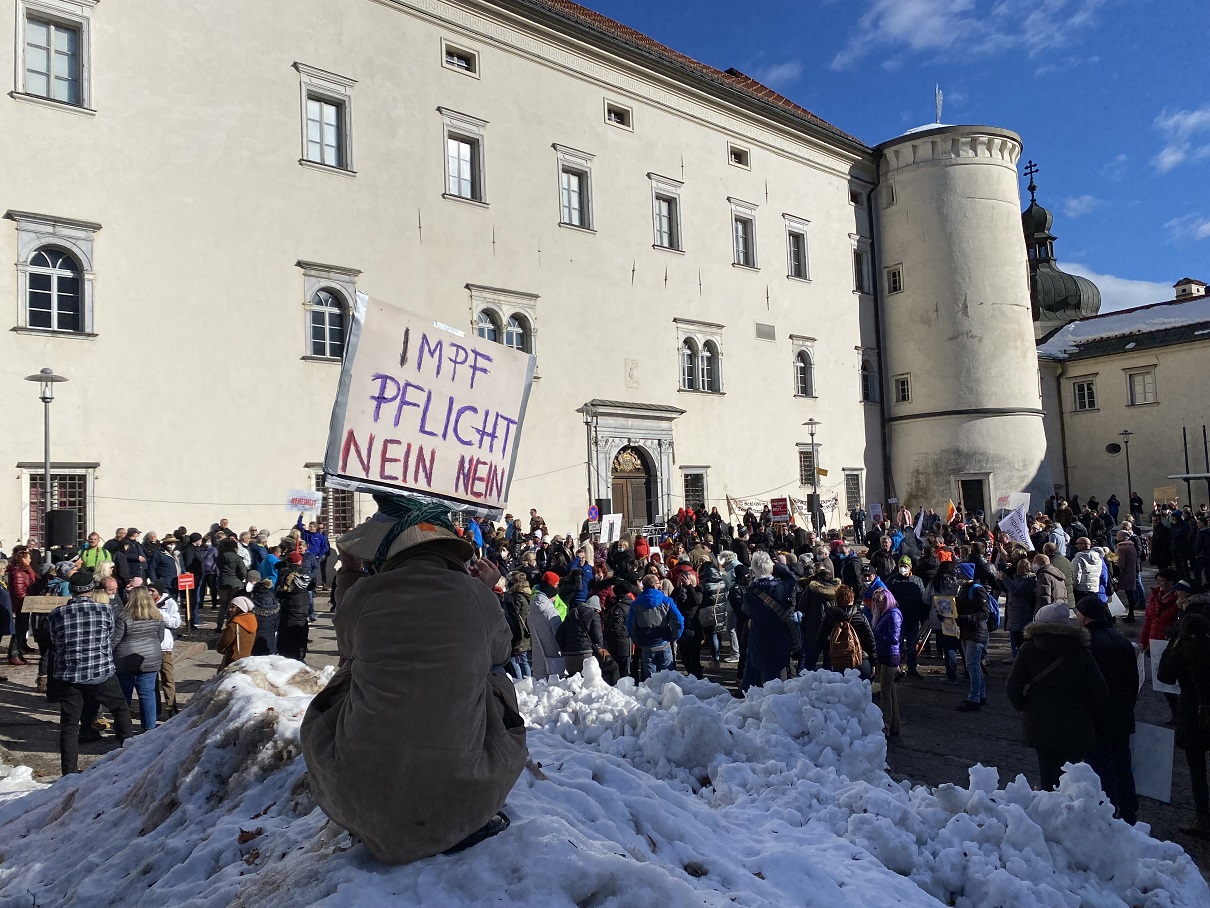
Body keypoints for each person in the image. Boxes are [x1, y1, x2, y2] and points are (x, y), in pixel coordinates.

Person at [301, 495, 527, 863]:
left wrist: (351, 570)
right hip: (459, 795)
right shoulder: (476, 596)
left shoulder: (364, 593)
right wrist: (488, 593)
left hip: (359, 795)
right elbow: (501, 652)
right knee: (494, 677)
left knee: (351, 670)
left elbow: (346, 641)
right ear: (451, 551)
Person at [1006, 602, 1108, 791]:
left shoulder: (1029, 648)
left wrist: (1024, 706)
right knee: (1074, 775)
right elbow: (1099, 689)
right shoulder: (1081, 650)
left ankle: (1049, 806)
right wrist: (1089, 711)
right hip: (1076, 720)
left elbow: (1013, 685)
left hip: (1040, 719)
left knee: (1047, 770)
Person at [46, 570, 135, 775]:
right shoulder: (104, 611)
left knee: (69, 724)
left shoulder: (56, 614)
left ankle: (69, 772)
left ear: (72, 590)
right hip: (100, 670)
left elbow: (55, 642)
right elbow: (109, 636)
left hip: (69, 674)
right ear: (91, 589)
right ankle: (129, 759)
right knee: (120, 709)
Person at [1075, 596, 1139, 824]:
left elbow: (1085, 683)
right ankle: (1129, 809)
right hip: (1122, 712)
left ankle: (1108, 811)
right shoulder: (1120, 639)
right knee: (1122, 762)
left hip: (1098, 714)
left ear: (1083, 615)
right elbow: (1134, 679)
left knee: (1100, 765)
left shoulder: (1087, 643)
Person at [1157, 612, 1210, 838]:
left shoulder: (1184, 649)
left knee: (1197, 768)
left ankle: (1203, 817)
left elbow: (1165, 676)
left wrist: (1172, 644)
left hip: (1193, 712)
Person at [740, 551, 801, 692]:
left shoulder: (750, 594)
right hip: (780, 640)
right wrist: (776, 565)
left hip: (757, 639)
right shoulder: (780, 588)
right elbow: (791, 578)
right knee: (774, 682)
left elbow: (746, 611)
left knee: (750, 676)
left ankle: (743, 699)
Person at [112, 586, 166, 733]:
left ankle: (123, 728)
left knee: (124, 695)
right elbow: (160, 637)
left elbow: (114, 640)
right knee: (147, 694)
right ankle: (149, 727)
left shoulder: (123, 617)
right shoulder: (157, 616)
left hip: (125, 659)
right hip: (150, 658)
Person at [627, 574, 685, 680]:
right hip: (664, 642)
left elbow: (631, 626)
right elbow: (679, 621)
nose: (660, 585)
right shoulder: (666, 601)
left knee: (650, 681)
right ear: (654, 585)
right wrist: (674, 637)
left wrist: (637, 641)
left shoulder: (635, 604)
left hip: (646, 644)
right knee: (668, 679)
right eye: (658, 583)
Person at [954, 563, 991, 711]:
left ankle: (974, 698)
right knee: (973, 665)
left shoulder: (977, 590)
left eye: (960, 574)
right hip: (967, 631)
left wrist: (965, 618)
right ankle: (980, 695)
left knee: (972, 665)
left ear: (967, 575)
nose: (957, 576)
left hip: (976, 633)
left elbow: (984, 613)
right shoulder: (964, 589)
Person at [887, 556, 927, 679]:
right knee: (897, 643)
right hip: (898, 618)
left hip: (913, 617)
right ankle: (896, 669)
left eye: (905, 566)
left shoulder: (917, 580)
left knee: (912, 644)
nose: (903, 568)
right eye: (901, 566)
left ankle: (912, 668)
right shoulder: (893, 580)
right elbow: (887, 597)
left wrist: (922, 615)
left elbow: (923, 597)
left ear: (910, 567)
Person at [871, 586, 903, 737]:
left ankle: (886, 726)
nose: (876, 603)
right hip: (883, 654)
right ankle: (894, 725)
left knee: (885, 692)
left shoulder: (893, 615)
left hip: (890, 656)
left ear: (887, 600)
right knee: (890, 691)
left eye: (879, 600)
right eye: (874, 600)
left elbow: (894, 638)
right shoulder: (884, 614)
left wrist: (877, 636)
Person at [150, 580, 183, 719]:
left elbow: (176, 623)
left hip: (164, 647)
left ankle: (171, 706)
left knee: (167, 677)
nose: (150, 593)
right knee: (152, 681)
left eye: (152, 591)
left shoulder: (169, 602)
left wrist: (159, 614)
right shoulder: (145, 602)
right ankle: (155, 709)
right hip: (150, 647)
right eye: (148, 590)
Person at [6, 546, 38, 664]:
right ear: (22, 559)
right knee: (19, 629)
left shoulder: (26, 570)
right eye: (28, 558)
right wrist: (29, 598)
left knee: (23, 628)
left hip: (27, 602)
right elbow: (19, 591)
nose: (30, 560)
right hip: (22, 604)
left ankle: (19, 652)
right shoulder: (17, 572)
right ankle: (14, 653)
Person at [215, 595, 257, 667]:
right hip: (246, 658)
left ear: (240, 609)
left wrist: (220, 649)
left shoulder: (234, 625)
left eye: (233, 607)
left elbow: (223, 642)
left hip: (233, 658)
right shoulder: (252, 621)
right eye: (230, 606)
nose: (230, 609)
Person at [1115, 529, 1140, 622]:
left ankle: (1110, 614)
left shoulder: (1122, 548)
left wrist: (1116, 573)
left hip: (1123, 575)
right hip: (1131, 573)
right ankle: (1131, 614)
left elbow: (1120, 563)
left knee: (1111, 593)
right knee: (1130, 595)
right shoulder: (1131, 547)